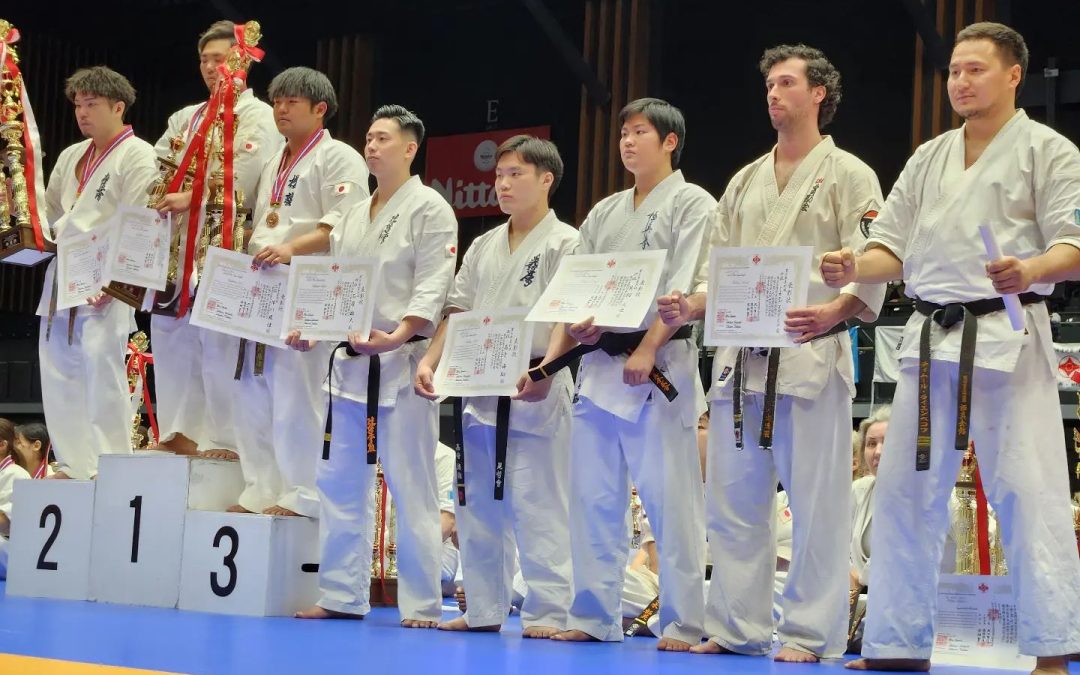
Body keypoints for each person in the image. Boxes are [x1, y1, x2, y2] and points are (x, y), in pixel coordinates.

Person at [820, 22, 1080, 674]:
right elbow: (891, 248)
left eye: (975, 69)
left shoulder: (1049, 151)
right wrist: (853, 263)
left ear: (1013, 73)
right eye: (954, 71)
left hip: (1009, 335)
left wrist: (1030, 267)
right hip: (931, 341)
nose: (960, 81)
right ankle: (896, 644)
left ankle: (1051, 648)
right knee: (904, 491)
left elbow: (1073, 246)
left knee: (1028, 488)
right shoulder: (929, 155)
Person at [658, 44, 885, 662]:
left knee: (815, 503)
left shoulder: (850, 174)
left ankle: (811, 634)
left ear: (819, 94)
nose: (773, 94)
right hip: (741, 361)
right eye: (768, 85)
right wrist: (693, 306)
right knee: (733, 500)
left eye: (786, 83)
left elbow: (869, 262)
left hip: (810, 354)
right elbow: (717, 268)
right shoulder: (744, 179)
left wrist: (839, 306)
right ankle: (736, 627)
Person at [545, 97, 713, 651]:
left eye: (639, 132)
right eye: (623, 134)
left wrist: (646, 348)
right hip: (598, 366)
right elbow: (579, 282)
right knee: (592, 497)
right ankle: (593, 615)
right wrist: (578, 330)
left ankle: (685, 623)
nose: (626, 142)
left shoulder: (692, 204)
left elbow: (684, 290)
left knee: (671, 501)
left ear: (669, 142)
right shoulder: (605, 211)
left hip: (659, 365)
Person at [292, 105, 457, 628]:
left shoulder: (430, 208)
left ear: (410, 148)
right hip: (349, 369)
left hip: (402, 365)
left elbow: (435, 283)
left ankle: (422, 602)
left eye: (383, 138)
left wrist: (401, 334)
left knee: (412, 487)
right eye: (368, 137)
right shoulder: (351, 215)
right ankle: (342, 593)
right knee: (340, 483)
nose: (372, 145)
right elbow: (337, 284)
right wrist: (312, 326)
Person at [415, 135, 577, 638]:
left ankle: (550, 610)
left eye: (515, 174)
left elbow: (567, 318)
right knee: (476, 503)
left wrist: (546, 372)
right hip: (477, 382)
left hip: (534, 381)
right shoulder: (484, 243)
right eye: (498, 175)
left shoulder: (565, 241)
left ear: (546, 178)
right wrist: (429, 359)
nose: (502, 184)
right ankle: (485, 606)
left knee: (539, 502)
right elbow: (458, 311)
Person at [229, 66, 368, 517]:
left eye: (291, 102)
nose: (281, 109)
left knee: (298, 396)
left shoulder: (340, 157)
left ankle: (303, 493)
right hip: (263, 282)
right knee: (253, 389)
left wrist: (289, 249)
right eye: (277, 101)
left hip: (307, 285)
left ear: (319, 109)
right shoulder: (274, 161)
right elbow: (260, 224)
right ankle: (260, 487)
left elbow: (340, 225)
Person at [151, 19, 280, 459]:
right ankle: (177, 432)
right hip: (176, 245)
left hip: (226, 241)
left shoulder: (258, 115)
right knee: (168, 334)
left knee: (218, 344)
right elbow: (160, 164)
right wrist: (167, 192)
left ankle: (222, 440)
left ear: (240, 61)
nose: (210, 67)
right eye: (204, 59)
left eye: (219, 59)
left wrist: (191, 193)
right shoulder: (187, 116)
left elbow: (243, 175)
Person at [37, 66, 158, 480]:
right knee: (57, 367)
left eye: (92, 105)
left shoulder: (138, 153)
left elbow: (142, 219)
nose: (82, 114)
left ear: (118, 107)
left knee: (100, 366)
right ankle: (73, 461)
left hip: (106, 278)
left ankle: (110, 465)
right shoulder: (72, 155)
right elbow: (54, 212)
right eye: (78, 106)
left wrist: (119, 280)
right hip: (66, 271)